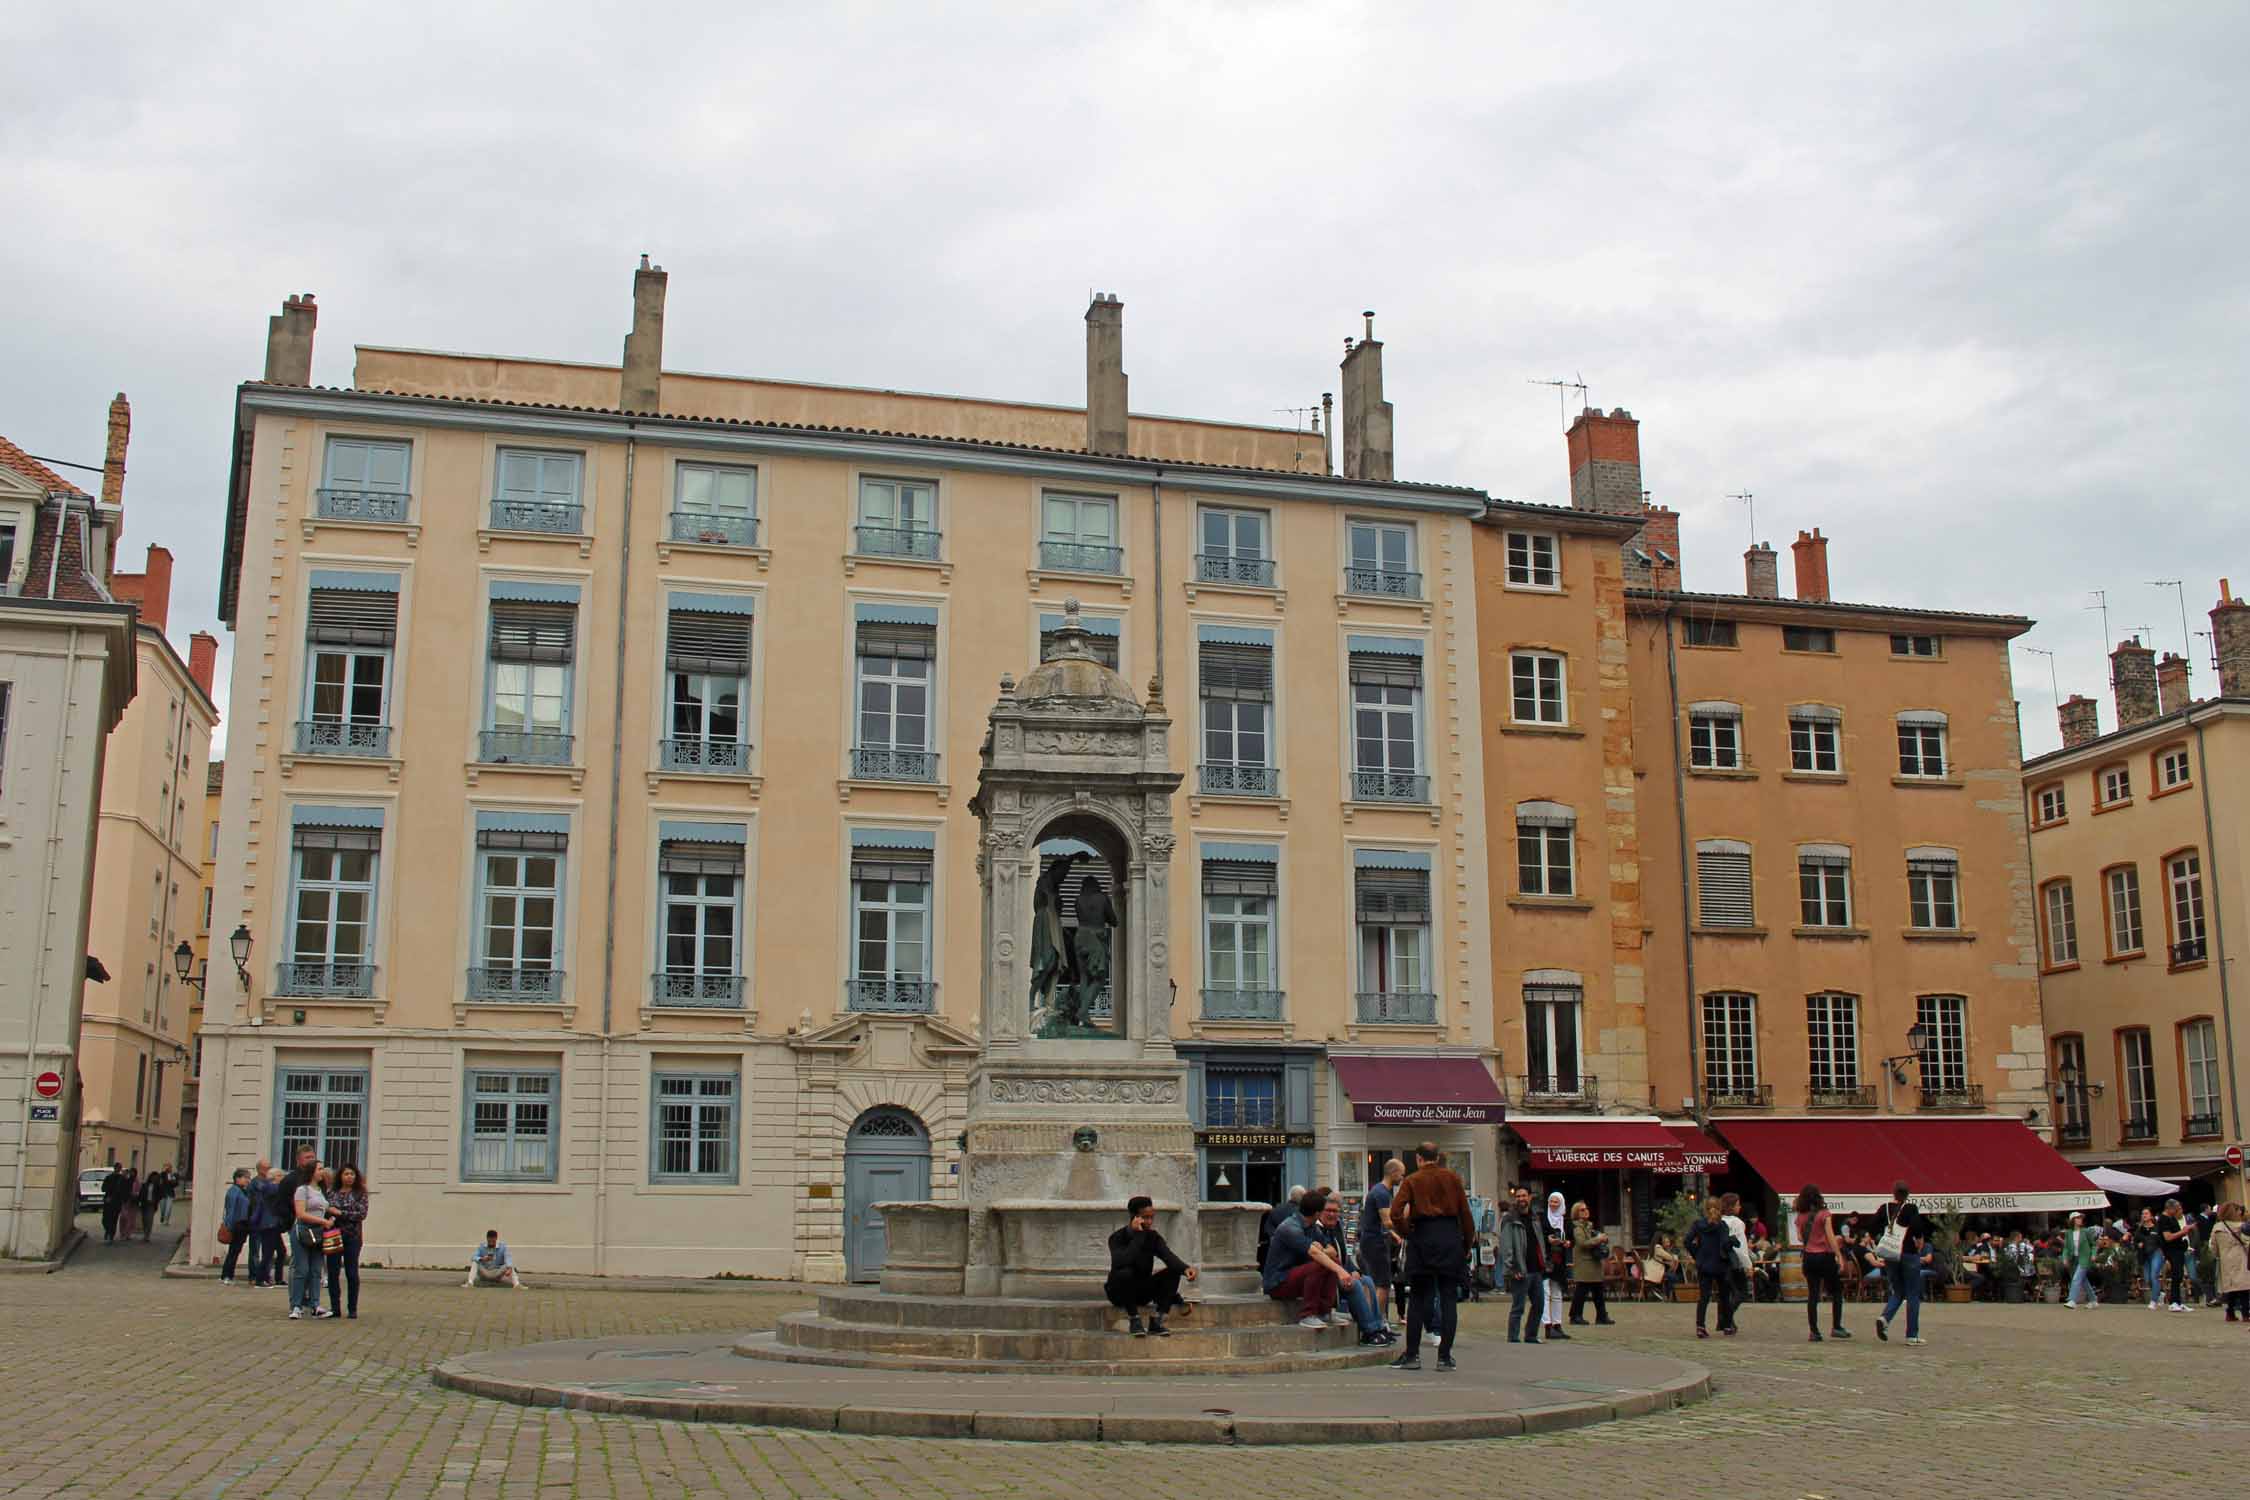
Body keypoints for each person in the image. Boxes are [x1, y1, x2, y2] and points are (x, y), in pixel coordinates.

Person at [1387, 1142, 1474, 1372]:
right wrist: (1466, 1244)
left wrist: (1407, 1232)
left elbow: (1395, 1212)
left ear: (1418, 1158)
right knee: (1447, 1298)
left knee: (1417, 1298)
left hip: (1422, 1237)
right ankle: (1444, 1357)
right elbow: (1466, 1215)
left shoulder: (1413, 1180)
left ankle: (1413, 1355)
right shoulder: (1453, 1178)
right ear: (1437, 1157)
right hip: (1449, 1237)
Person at [1104, 1195, 1196, 1336]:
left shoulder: (1153, 1237)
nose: (1150, 1221)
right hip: (1120, 1292)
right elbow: (1121, 1261)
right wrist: (1139, 1236)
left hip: (1141, 1291)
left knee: (1173, 1271)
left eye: (1152, 1217)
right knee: (1125, 1272)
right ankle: (1134, 1319)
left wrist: (1185, 1269)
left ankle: (1157, 1321)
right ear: (1134, 1217)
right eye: (1145, 1217)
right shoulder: (1117, 1237)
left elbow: (1168, 1256)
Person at [1314, 1196, 1395, 1346]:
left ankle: (1378, 1327)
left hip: (1341, 1271)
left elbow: (1344, 1257)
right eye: (1328, 1211)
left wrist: (1355, 1270)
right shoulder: (1316, 1230)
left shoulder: (1337, 1227)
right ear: (1320, 1212)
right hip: (1326, 1276)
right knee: (1354, 1284)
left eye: (1335, 1211)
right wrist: (1346, 1273)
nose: (1332, 1214)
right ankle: (1368, 1331)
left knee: (1367, 1280)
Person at [1261, 1189, 1346, 1329]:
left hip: (1294, 1276)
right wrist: (1341, 1271)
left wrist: (1323, 1250)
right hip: (1277, 1282)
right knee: (1320, 1265)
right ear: (1317, 1213)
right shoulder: (1289, 1227)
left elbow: (1332, 1251)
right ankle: (1308, 1315)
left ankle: (1325, 1312)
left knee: (1331, 1263)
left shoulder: (1312, 1227)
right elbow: (1314, 1254)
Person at [1873, 1180, 1931, 1347]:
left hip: (1890, 1255)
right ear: (1907, 1194)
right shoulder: (1910, 1208)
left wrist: (1878, 1237)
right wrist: (1919, 1240)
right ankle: (1912, 1335)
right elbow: (1918, 1226)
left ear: (1893, 1193)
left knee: (1898, 1291)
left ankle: (1884, 1318)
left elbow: (1872, 1226)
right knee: (1913, 1294)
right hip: (1908, 1254)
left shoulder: (1885, 1208)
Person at [1358, 1159, 1405, 1328]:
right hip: (1375, 1243)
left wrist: (1391, 1234)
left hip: (1370, 1240)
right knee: (1383, 1284)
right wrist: (1407, 1222)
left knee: (1372, 1282)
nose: (1402, 1177)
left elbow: (1378, 1221)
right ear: (1393, 1173)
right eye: (1401, 1173)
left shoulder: (1378, 1191)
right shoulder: (1382, 1193)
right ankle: (1377, 1322)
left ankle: (1371, 1320)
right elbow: (1387, 1221)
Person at [1498, 1186, 1546, 1344]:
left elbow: (1539, 1242)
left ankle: (1531, 1335)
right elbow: (1505, 1246)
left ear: (1530, 1197)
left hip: (1536, 1269)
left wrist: (1544, 1261)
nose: (1521, 1199)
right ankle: (1513, 1337)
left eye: (1524, 1196)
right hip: (1520, 1270)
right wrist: (1511, 1268)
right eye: (1518, 1196)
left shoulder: (1535, 1218)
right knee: (1518, 1307)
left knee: (1539, 1305)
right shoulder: (1509, 1219)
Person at [288, 1165, 335, 1320]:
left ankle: (315, 1305)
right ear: (311, 1172)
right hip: (303, 1231)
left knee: (316, 1270)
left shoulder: (321, 1191)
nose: (322, 1171)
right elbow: (300, 1214)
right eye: (319, 1168)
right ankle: (296, 1305)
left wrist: (334, 1215)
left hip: (318, 1232)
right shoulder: (303, 1190)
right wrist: (323, 1221)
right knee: (302, 1269)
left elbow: (326, 1208)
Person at [1685, 1196, 1736, 1338]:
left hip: (1704, 1264)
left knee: (1704, 1297)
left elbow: (1687, 1241)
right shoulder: (1722, 1225)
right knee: (1724, 1296)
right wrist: (1732, 1242)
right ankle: (1727, 1326)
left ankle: (1700, 1326)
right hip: (1720, 1264)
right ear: (1720, 1209)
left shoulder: (1697, 1224)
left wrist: (1697, 1254)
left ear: (1705, 1209)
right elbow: (1725, 1244)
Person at [326, 1164, 369, 1320]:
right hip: (333, 1235)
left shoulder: (360, 1193)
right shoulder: (331, 1192)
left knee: (351, 1273)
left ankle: (352, 1308)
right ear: (340, 1176)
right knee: (332, 1272)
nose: (349, 1177)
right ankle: (335, 1307)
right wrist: (333, 1213)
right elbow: (327, 1210)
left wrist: (340, 1213)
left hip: (352, 1236)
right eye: (346, 1174)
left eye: (352, 1174)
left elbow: (361, 1214)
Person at [1566, 1199, 1615, 1327]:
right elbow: (1583, 1243)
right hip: (1584, 1264)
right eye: (1582, 1210)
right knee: (1581, 1291)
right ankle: (1575, 1316)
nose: (1586, 1211)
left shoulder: (1589, 1226)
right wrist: (1598, 1239)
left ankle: (1602, 1316)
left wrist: (1602, 1238)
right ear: (1576, 1213)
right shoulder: (1577, 1228)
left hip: (1594, 1263)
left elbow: (1593, 1240)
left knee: (1598, 1290)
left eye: (1586, 1208)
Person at [2211, 1201, 2250, 1322]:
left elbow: (2213, 1246)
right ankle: (2245, 1313)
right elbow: (2247, 1242)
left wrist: (2219, 1255)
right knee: (2244, 1287)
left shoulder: (2217, 1227)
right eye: (2238, 1210)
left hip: (2225, 1259)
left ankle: (2230, 1312)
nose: (2240, 1212)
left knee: (2231, 1288)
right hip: (2240, 1257)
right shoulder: (2241, 1226)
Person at [1541, 1191, 1572, 1341]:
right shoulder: (1542, 1218)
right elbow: (1539, 1235)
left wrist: (1567, 1243)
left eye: (1556, 1202)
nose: (1553, 1204)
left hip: (1559, 1260)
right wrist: (1548, 1239)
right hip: (1546, 1260)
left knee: (1557, 1293)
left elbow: (1571, 1238)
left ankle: (1557, 1325)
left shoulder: (1564, 1221)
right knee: (1545, 1292)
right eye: (1551, 1201)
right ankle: (1547, 1326)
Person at [219, 1167, 256, 1285]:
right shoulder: (234, 1191)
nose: (248, 1180)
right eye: (245, 1177)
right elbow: (230, 1210)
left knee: (235, 1251)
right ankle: (227, 1275)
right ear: (237, 1178)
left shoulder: (242, 1191)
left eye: (248, 1178)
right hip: (237, 1225)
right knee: (233, 1251)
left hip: (243, 1224)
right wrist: (229, 1226)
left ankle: (228, 1275)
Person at [2158, 1198, 2193, 1311]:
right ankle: (2173, 1302)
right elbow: (2167, 1237)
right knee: (2176, 1275)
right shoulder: (2164, 1219)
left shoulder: (2172, 1218)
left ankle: (2178, 1301)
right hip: (2172, 1250)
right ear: (2170, 1208)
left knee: (2179, 1275)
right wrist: (2183, 1232)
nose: (2178, 1210)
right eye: (2176, 1208)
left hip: (2178, 1249)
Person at [1258, 1186, 1305, 1268]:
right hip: (1296, 1256)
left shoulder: (1275, 1210)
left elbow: (1267, 1231)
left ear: (1289, 1196)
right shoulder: (1303, 1213)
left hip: (1276, 1253)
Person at [2061, 1211, 2100, 1309]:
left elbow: (2094, 1245)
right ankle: (2093, 1300)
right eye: (2077, 1218)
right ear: (2072, 1220)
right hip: (2073, 1260)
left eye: (2081, 1218)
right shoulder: (2068, 1233)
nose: (2080, 1219)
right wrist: (2065, 1258)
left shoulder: (2086, 1231)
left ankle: (2072, 1300)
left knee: (2076, 1278)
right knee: (2083, 1281)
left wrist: (2094, 1255)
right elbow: (2066, 1247)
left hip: (2085, 1258)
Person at [2134, 1207, 2165, 1308]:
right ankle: (2159, 1294)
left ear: (2151, 1216)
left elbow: (2163, 1241)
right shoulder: (2139, 1229)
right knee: (2148, 1279)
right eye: (2143, 1214)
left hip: (2156, 1252)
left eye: (2146, 1213)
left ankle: (2153, 1301)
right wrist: (2138, 1244)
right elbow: (2135, 1242)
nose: (2144, 1215)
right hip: (2144, 1255)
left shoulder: (2157, 1228)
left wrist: (2165, 1254)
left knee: (2153, 1275)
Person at [99, 1162, 129, 1244]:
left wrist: (124, 1201)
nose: (118, 1169)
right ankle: (108, 1231)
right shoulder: (108, 1177)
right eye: (117, 1168)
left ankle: (110, 1235)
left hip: (117, 1202)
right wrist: (108, 1193)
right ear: (114, 1168)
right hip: (108, 1201)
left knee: (114, 1219)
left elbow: (125, 1191)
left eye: (119, 1168)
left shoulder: (122, 1179)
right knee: (105, 1219)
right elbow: (103, 1188)